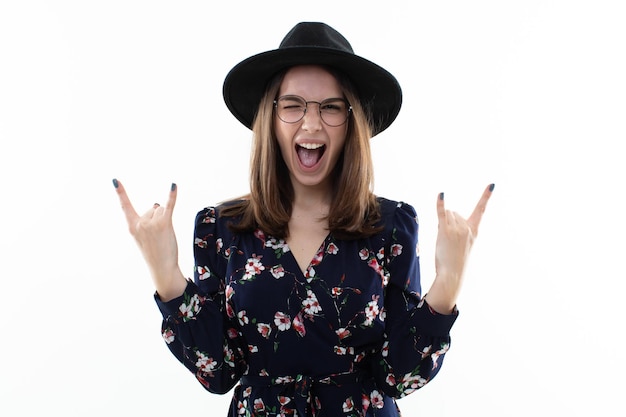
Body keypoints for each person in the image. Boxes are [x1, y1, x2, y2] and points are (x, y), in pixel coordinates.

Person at [113, 22, 494, 417]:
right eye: (293, 104)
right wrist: (166, 274)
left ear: (351, 124)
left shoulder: (391, 226)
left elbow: (397, 377)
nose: (311, 124)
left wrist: (447, 284)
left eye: (330, 107)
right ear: (271, 118)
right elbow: (220, 372)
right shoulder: (220, 228)